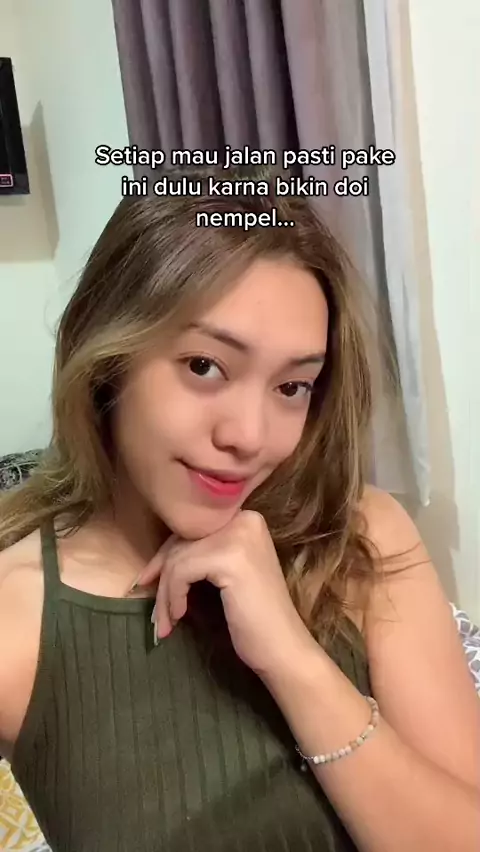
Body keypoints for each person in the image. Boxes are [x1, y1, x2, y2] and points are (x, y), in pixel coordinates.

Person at [0, 167, 478, 852]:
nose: (250, 437)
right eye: (205, 366)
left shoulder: (359, 536)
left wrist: (291, 657)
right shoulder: (19, 618)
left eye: (292, 386)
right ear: (107, 360)